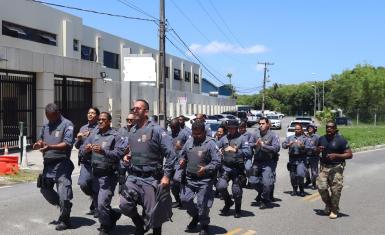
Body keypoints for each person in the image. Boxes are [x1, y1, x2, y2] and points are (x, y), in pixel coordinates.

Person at [119, 99, 176, 235]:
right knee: (124, 205)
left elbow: (171, 154)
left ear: (146, 112)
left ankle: (156, 231)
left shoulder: (157, 130)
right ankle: (139, 223)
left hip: (151, 178)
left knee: (154, 215)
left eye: (138, 108)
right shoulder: (132, 130)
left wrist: (167, 176)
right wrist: (128, 156)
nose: (135, 110)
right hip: (133, 176)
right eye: (134, 108)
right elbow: (132, 150)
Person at [80, 112, 125, 235]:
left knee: (101, 204)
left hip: (108, 175)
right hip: (95, 174)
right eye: (99, 119)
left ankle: (105, 226)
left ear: (109, 121)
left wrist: (103, 151)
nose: (100, 121)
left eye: (103, 120)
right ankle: (113, 215)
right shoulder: (94, 134)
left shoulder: (115, 136)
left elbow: (119, 154)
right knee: (98, 205)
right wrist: (86, 149)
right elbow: (81, 149)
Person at [33, 103, 75, 231]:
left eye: (51, 117)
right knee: (45, 189)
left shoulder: (67, 124)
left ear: (57, 113)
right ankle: (65, 204)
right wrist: (38, 143)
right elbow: (41, 139)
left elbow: (68, 144)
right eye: (47, 117)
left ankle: (65, 219)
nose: (50, 120)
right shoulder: (46, 125)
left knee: (63, 193)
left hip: (62, 164)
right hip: (48, 164)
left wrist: (50, 147)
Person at [179, 120, 221, 235]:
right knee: (185, 200)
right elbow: (182, 155)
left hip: (205, 180)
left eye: (198, 134)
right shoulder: (189, 141)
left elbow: (217, 161)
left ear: (203, 132)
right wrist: (182, 160)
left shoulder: (210, 143)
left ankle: (204, 225)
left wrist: (206, 168)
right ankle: (196, 216)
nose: (196, 136)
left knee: (202, 204)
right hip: (190, 178)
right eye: (194, 134)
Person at [316, 121, 353, 219]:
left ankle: (334, 210)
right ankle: (329, 205)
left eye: (331, 127)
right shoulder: (321, 139)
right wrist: (317, 150)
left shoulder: (341, 140)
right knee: (321, 188)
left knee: (336, 190)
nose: (329, 129)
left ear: (335, 129)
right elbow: (315, 151)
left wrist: (336, 155)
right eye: (327, 127)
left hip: (336, 168)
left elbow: (349, 154)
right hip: (323, 167)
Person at [216, 120, 251, 217]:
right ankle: (228, 202)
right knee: (220, 186)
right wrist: (219, 150)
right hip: (226, 167)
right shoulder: (224, 138)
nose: (231, 130)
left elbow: (248, 152)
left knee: (236, 191)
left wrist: (236, 150)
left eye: (233, 128)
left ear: (236, 128)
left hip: (237, 168)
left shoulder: (242, 138)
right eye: (229, 128)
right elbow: (216, 147)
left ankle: (237, 209)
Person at [249, 117, 280, 209]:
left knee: (267, 183)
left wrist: (264, 146)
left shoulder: (273, 135)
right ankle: (262, 192)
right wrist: (256, 144)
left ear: (267, 124)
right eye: (260, 123)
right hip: (257, 161)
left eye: (263, 123)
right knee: (252, 181)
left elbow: (276, 148)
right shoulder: (255, 134)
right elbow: (249, 143)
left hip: (268, 162)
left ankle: (264, 199)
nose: (261, 125)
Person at [75, 107, 100, 217]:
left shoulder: (100, 128)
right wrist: (79, 138)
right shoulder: (83, 128)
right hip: (85, 162)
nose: (90, 114)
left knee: (96, 186)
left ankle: (97, 206)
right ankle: (95, 199)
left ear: (97, 116)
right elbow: (76, 146)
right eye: (89, 113)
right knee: (83, 184)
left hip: (97, 162)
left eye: (93, 113)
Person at [169, 118, 191, 209]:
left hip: (181, 162)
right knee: (171, 184)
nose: (173, 129)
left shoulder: (185, 134)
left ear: (178, 126)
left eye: (174, 127)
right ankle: (178, 201)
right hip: (171, 162)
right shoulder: (169, 134)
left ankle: (185, 198)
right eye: (171, 127)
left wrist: (181, 147)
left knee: (177, 179)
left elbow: (191, 147)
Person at [282, 123, 308, 197]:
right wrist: (287, 145)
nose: (297, 130)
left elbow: (309, 149)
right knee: (293, 176)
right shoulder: (290, 137)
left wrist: (303, 146)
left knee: (300, 174)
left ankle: (302, 189)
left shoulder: (305, 138)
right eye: (295, 129)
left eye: (298, 129)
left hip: (301, 159)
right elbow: (283, 145)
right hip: (292, 159)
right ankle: (294, 189)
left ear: (301, 129)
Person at [305, 124, 320, 190]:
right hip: (305, 156)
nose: (310, 129)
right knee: (305, 170)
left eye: (311, 128)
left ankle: (314, 183)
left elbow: (320, 146)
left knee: (314, 173)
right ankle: (308, 180)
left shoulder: (317, 137)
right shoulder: (304, 136)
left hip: (314, 156)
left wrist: (317, 149)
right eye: (308, 128)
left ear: (314, 129)